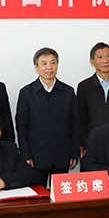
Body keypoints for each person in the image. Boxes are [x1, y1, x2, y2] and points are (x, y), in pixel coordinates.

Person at [15, 47, 79, 186]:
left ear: (57, 65)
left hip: (62, 155)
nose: (49, 67)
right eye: (44, 63)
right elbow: (22, 127)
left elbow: (75, 124)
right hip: (36, 156)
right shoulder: (26, 93)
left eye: (53, 62)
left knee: (62, 194)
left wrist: (74, 153)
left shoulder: (68, 92)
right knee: (38, 195)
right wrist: (26, 155)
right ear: (36, 67)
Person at [76, 42, 109, 156]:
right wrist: (83, 144)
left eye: (108, 56)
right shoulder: (84, 87)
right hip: (92, 143)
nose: (105, 60)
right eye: (100, 57)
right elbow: (81, 118)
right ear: (92, 61)